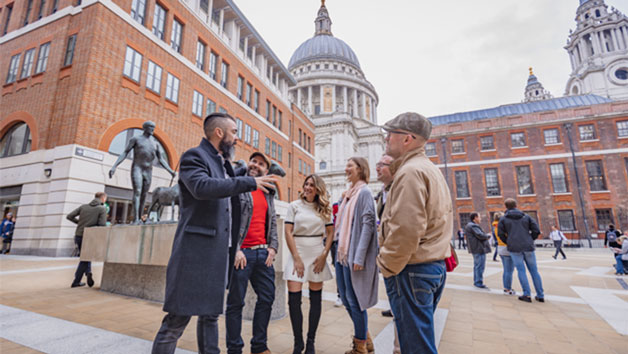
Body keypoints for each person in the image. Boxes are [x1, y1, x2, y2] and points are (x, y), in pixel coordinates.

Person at [151, 113, 276, 354]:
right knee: (176, 321)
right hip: (194, 255)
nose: (237, 138)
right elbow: (202, 187)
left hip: (217, 256)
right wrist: (249, 183)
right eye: (234, 132)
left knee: (210, 317)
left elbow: (230, 183)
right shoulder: (194, 156)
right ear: (219, 133)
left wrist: (252, 173)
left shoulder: (222, 163)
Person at [378, 112, 452, 354]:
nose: (387, 138)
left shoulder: (410, 172)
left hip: (411, 269)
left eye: (391, 134)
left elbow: (406, 229)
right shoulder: (428, 168)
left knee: (415, 347)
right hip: (430, 266)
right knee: (419, 341)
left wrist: (387, 265)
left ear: (407, 139)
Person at [226, 152, 279, 354]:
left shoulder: (268, 192)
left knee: (266, 298)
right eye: (253, 161)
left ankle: (259, 346)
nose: (256, 165)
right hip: (242, 255)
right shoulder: (239, 186)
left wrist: (273, 248)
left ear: (267, 170)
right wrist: (235, 249)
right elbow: (229, 218)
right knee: (235, 303)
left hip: (263, 254)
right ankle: (235, 349)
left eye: (261, 164)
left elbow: (272, 220)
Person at [284, 174, 334, 354]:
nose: (308, 188)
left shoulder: (324, 208)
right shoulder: (293, 206)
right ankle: (298, 342)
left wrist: (324, 255)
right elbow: (288, 232)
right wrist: (296, 257)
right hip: (297, 250)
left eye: (312, 185)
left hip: (316, 254)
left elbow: (330, 232)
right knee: (293, 301)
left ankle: (310, 341)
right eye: (306, 184)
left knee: (315, 299)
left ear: (318, 188)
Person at [335, 157, 379, 354]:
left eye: (349, 166)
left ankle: (360, 347)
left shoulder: (364, 193)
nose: (346, 169)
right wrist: (342, 199)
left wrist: (359, 257)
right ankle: (365, 337)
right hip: (342, 253)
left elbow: (369, 226)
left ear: (360, 169)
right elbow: (341, 219)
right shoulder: (350, 194)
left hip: (353, 255)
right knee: (345, 298)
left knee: (355, 301)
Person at [108, 121, 176, 223]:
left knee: (144, 194)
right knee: (138, 192)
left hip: (148, 170)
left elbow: (161, 159)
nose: (153, 129)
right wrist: (114, 166)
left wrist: (170, 171)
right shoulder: (136, 139)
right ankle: (135, 219)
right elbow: (125, 152)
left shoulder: (155, 144)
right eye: (151, 127)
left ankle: (140, 218)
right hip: (137, 168)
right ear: (145, 128)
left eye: (154, 127)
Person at [497, 198, 544, 303]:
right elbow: (536, 230)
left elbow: (500, 234)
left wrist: (508, 242)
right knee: (534, 271)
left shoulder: (503, 219)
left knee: (521, 270)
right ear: (516, 205)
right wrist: (530, 239)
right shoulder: (526, 217)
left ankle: (527, 294)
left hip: (514, 248)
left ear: (506, 206)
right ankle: (540, 295)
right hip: (528, 246)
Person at [66, 192, 107, 288]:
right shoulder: (102, 209)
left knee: (86, 256)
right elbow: (102, 225)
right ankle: (76, 281)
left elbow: (69, 216)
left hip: (78, 235)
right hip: (90, 236)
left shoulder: (83, 207)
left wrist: (80, 223)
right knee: (85, 259)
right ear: (103, 198)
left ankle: (88, 272)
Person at [376, 154, 394, 320]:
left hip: (396, 251)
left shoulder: (400, 187)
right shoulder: (383, 191)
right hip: (387, 248)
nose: (377, 167)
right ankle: (393, 307)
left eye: (381, 165)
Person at [465, 213, 492, 290]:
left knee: (477, 266)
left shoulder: (469, 225)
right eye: (479, 217)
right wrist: (488, 236)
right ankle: (478, 282)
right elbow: (480, 235)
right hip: (479, 248)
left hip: (475, 248)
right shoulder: (473, 226)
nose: (480, 219)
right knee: (480, 266)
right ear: (475, 218)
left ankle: (477, 281)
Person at [493, 212, 515, 295]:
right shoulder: (502, 226)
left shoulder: (495, 226)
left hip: (500, 248)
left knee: (506, 269)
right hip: (506, 248)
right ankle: (507, 289)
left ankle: (506, 287)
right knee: (509, 270)